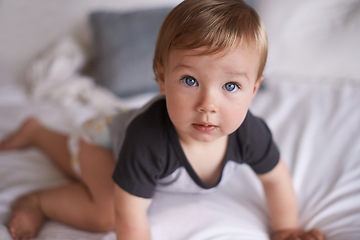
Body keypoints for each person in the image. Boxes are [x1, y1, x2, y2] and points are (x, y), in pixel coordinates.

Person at [0, 0, 324, 240]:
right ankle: (37, 201)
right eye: (189, 80)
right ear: (161, 77)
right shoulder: (148, 139)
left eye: (230, 86)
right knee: (104, 211)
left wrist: (285, 228)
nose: (208, 105)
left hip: (116, 127)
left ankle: (38, 131)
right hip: (100, 141)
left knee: (83, 167)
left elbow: (276, 180)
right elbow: (129, 217)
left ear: (253, 90)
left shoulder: (251, 133)